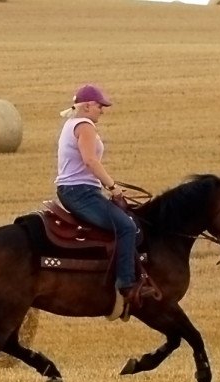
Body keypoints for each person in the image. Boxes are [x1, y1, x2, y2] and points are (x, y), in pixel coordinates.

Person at [54, 84, 156, 306]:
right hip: (80, 192)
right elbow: (90, 161)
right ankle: (126, 285)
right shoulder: (84, 125)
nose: (103, 110)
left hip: (78, 190)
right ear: (88, 105)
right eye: (100, 106)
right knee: (127, 226)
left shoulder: (71, 124)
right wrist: (112, 186)